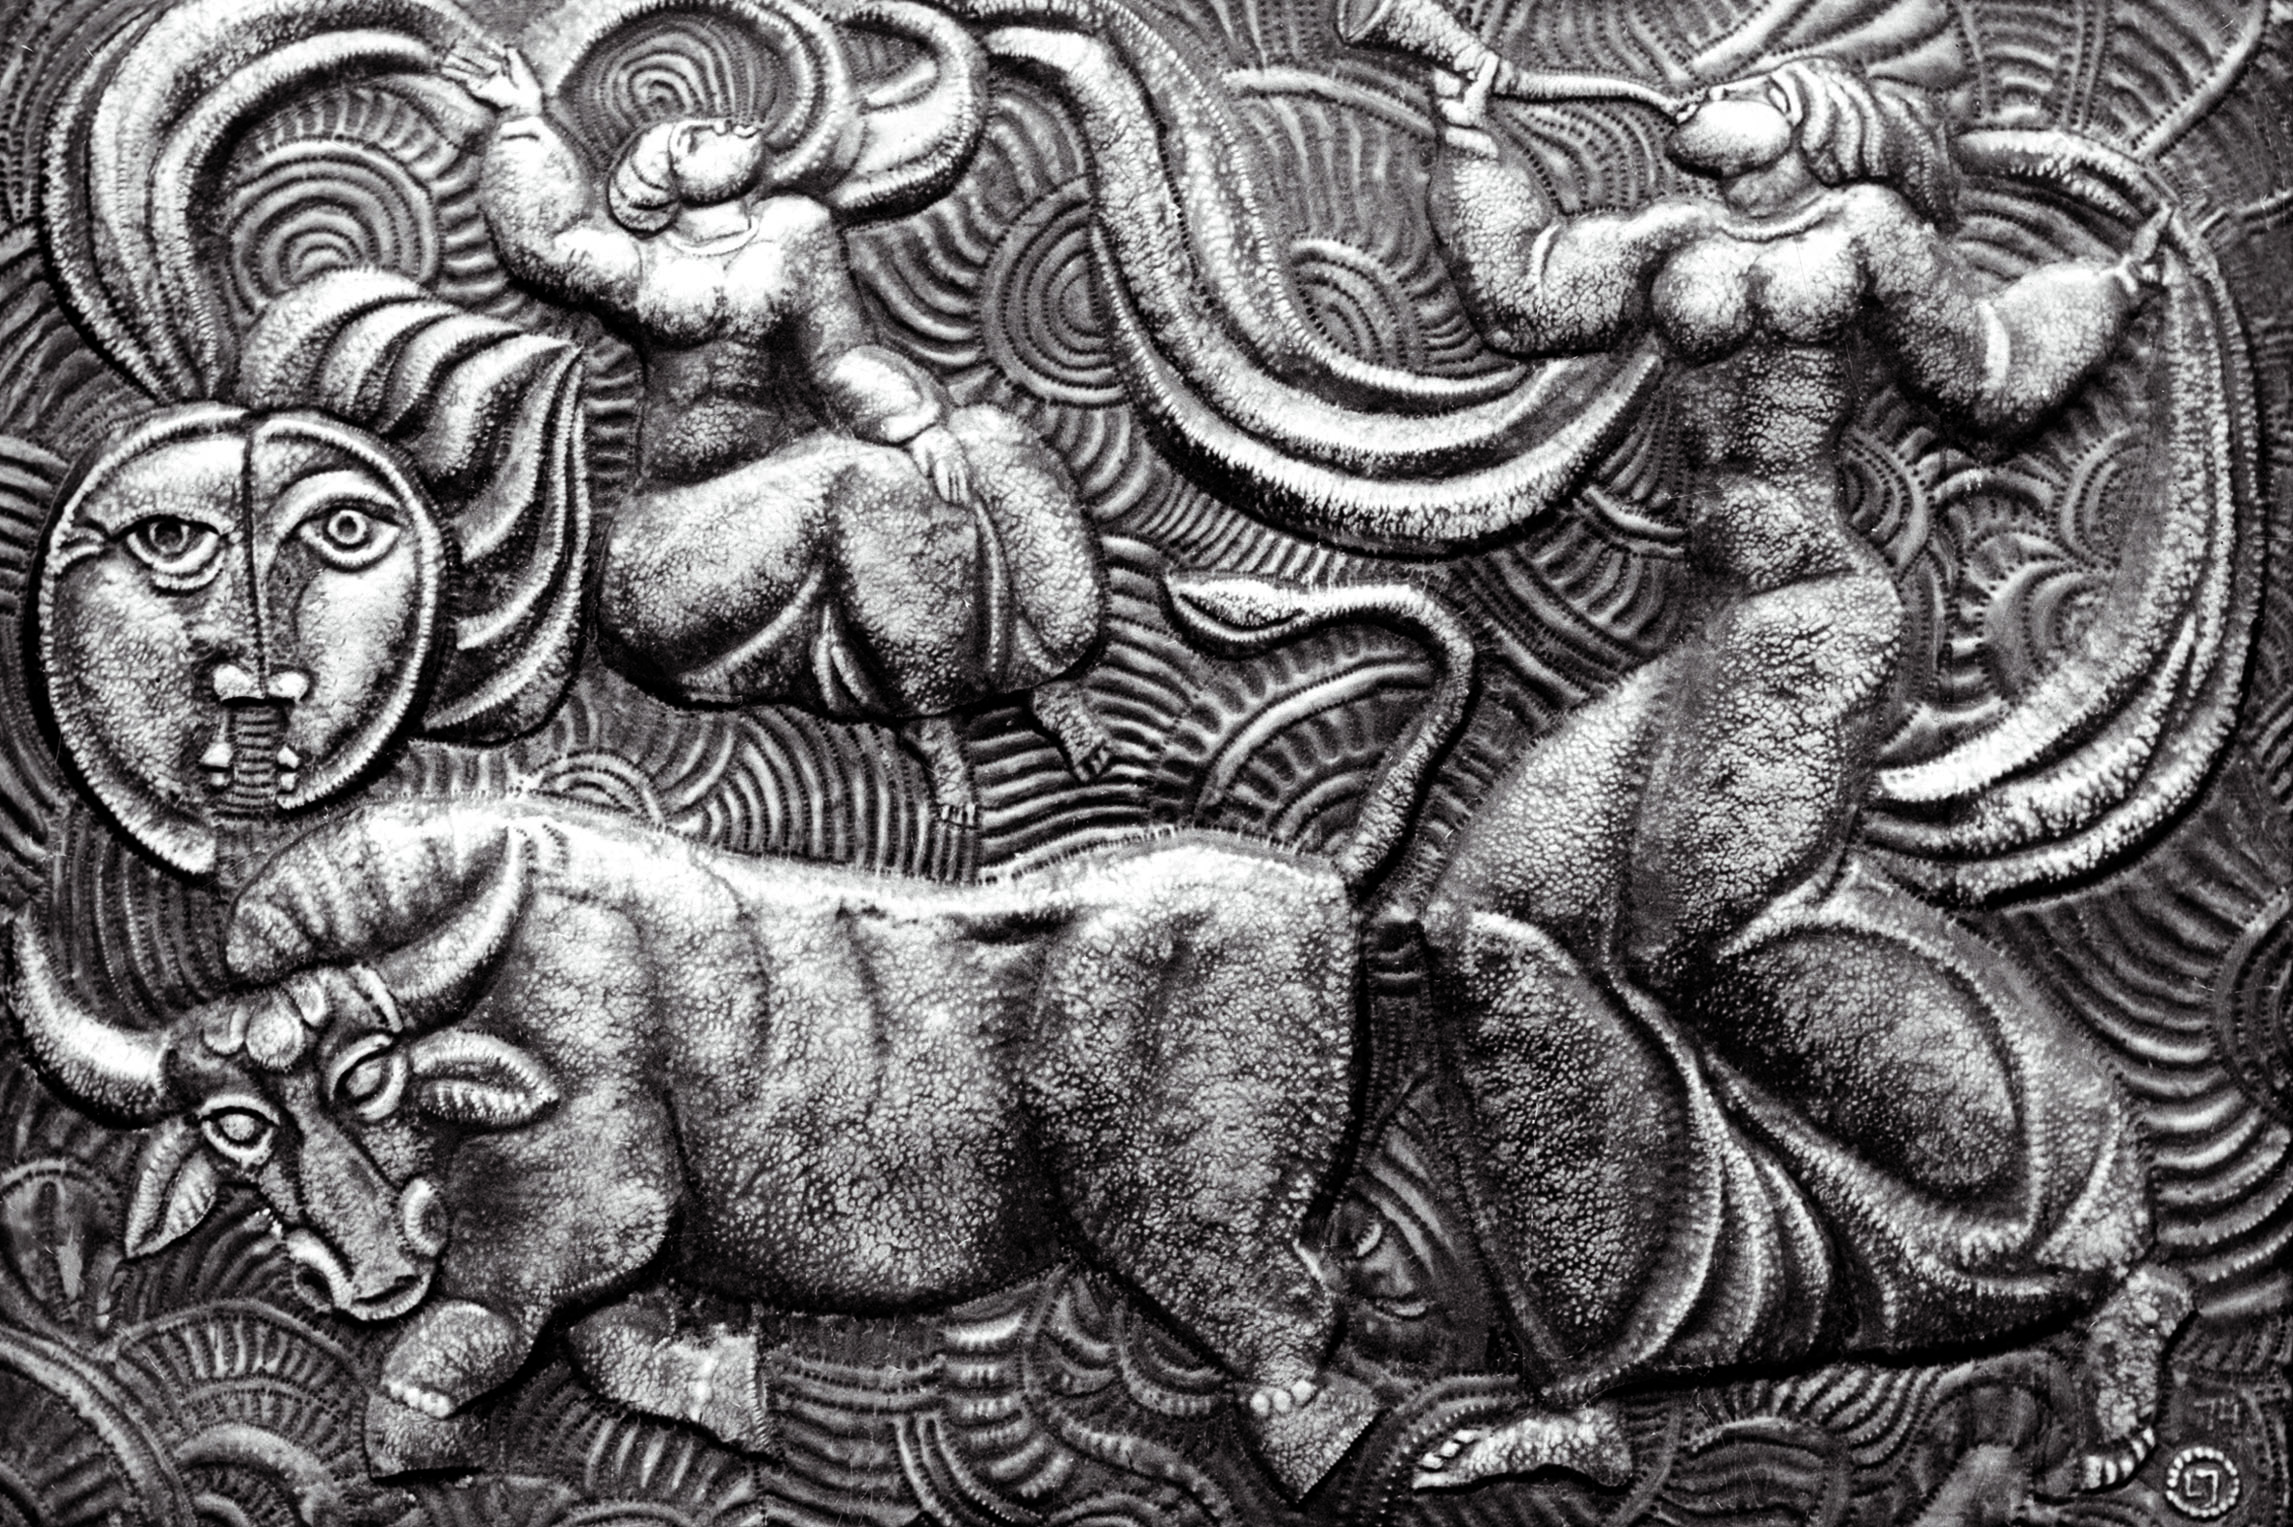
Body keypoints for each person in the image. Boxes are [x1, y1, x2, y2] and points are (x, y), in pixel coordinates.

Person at [1407, 54, 2186, 1493]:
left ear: (1812, 118)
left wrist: (2103, 290)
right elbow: (1525, 295)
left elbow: (1989, 376)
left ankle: (2095, 1240)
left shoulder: (1865, 232)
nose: (1698, 87)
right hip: (1715, 629)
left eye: (1750, 78)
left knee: (1708, 937)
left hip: (1814, 617)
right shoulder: (1670, 240)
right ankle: (1595, 1365)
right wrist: (1468, 133)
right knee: (1489, 925)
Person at [442, 44, 1112, 826]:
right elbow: (546, 242)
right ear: (660, 188)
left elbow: (841, 357)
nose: (725, 126)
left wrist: (918, 423)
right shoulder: (640, 266)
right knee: (861, 480)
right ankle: (930, 724)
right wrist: (524, 119)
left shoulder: (797, 231)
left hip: (787, 486)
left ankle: (1043, 671)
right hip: (684, 539)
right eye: (692, 138)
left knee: (989, 440)